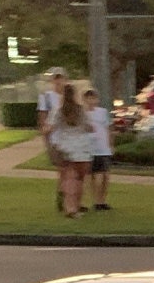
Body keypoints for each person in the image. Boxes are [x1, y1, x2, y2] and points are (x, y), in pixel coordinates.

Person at [49, 84, 95, 218]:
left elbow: (50, 128)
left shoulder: (58, 111)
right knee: (80, 179)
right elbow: (89, 127)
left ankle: (70, 208)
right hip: (82, 148)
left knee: (69, 178)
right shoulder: (81, 110)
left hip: (66, 147)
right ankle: (77, 204)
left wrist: (52, 143)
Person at [36, 68, 67, 212]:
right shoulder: (47, 97)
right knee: (63, 169)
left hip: (69, 135)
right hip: (55, 137)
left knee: (71, 169)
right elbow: (43, 119)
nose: (58, 81)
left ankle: (69, 196)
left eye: (61, 78)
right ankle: (62, 196)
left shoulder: (69, 96)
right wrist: (46, 138)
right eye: (56, 78)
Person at [83, 88, 113, 211]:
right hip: (90, 148)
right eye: (89, 98)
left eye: (94, 98)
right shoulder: (83, 114)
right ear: (85, 100)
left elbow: (108, 128)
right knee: (94, 175)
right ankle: (95, 201)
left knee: (105, 175)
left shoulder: (102, 112)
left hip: (103, 147)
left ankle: (102, 200)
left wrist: (110, 144)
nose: (92, 101)